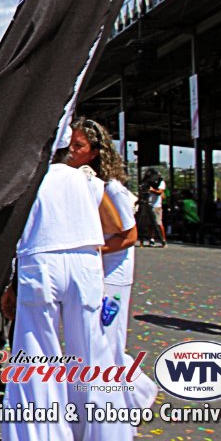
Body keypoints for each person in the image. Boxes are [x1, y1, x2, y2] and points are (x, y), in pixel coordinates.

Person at [2, 149, 129, 441]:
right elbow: (114, 227)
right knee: (91, 353)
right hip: (85, 261)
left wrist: (11, 286)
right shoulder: (86, 180)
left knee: (35, 354)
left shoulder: (25, 178)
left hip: (41, 261)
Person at [66, 118, 138, 360]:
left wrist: (93, 250)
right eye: (70, 145)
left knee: (109, 338)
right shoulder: (78, 181)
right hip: (96, 269)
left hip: (114, 272)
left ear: (94, 152)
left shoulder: (112, 188)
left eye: (78, 146)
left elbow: (130, 236)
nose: (71, 151)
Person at [143, 167, 167, 246]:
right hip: (148, 204)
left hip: (156, 205)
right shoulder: (147, 182)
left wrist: (152, 190)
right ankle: (151, 239)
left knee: (158, 223)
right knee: (149, 224)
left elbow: (160, 192)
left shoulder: (160, 182)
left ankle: (163, 239)